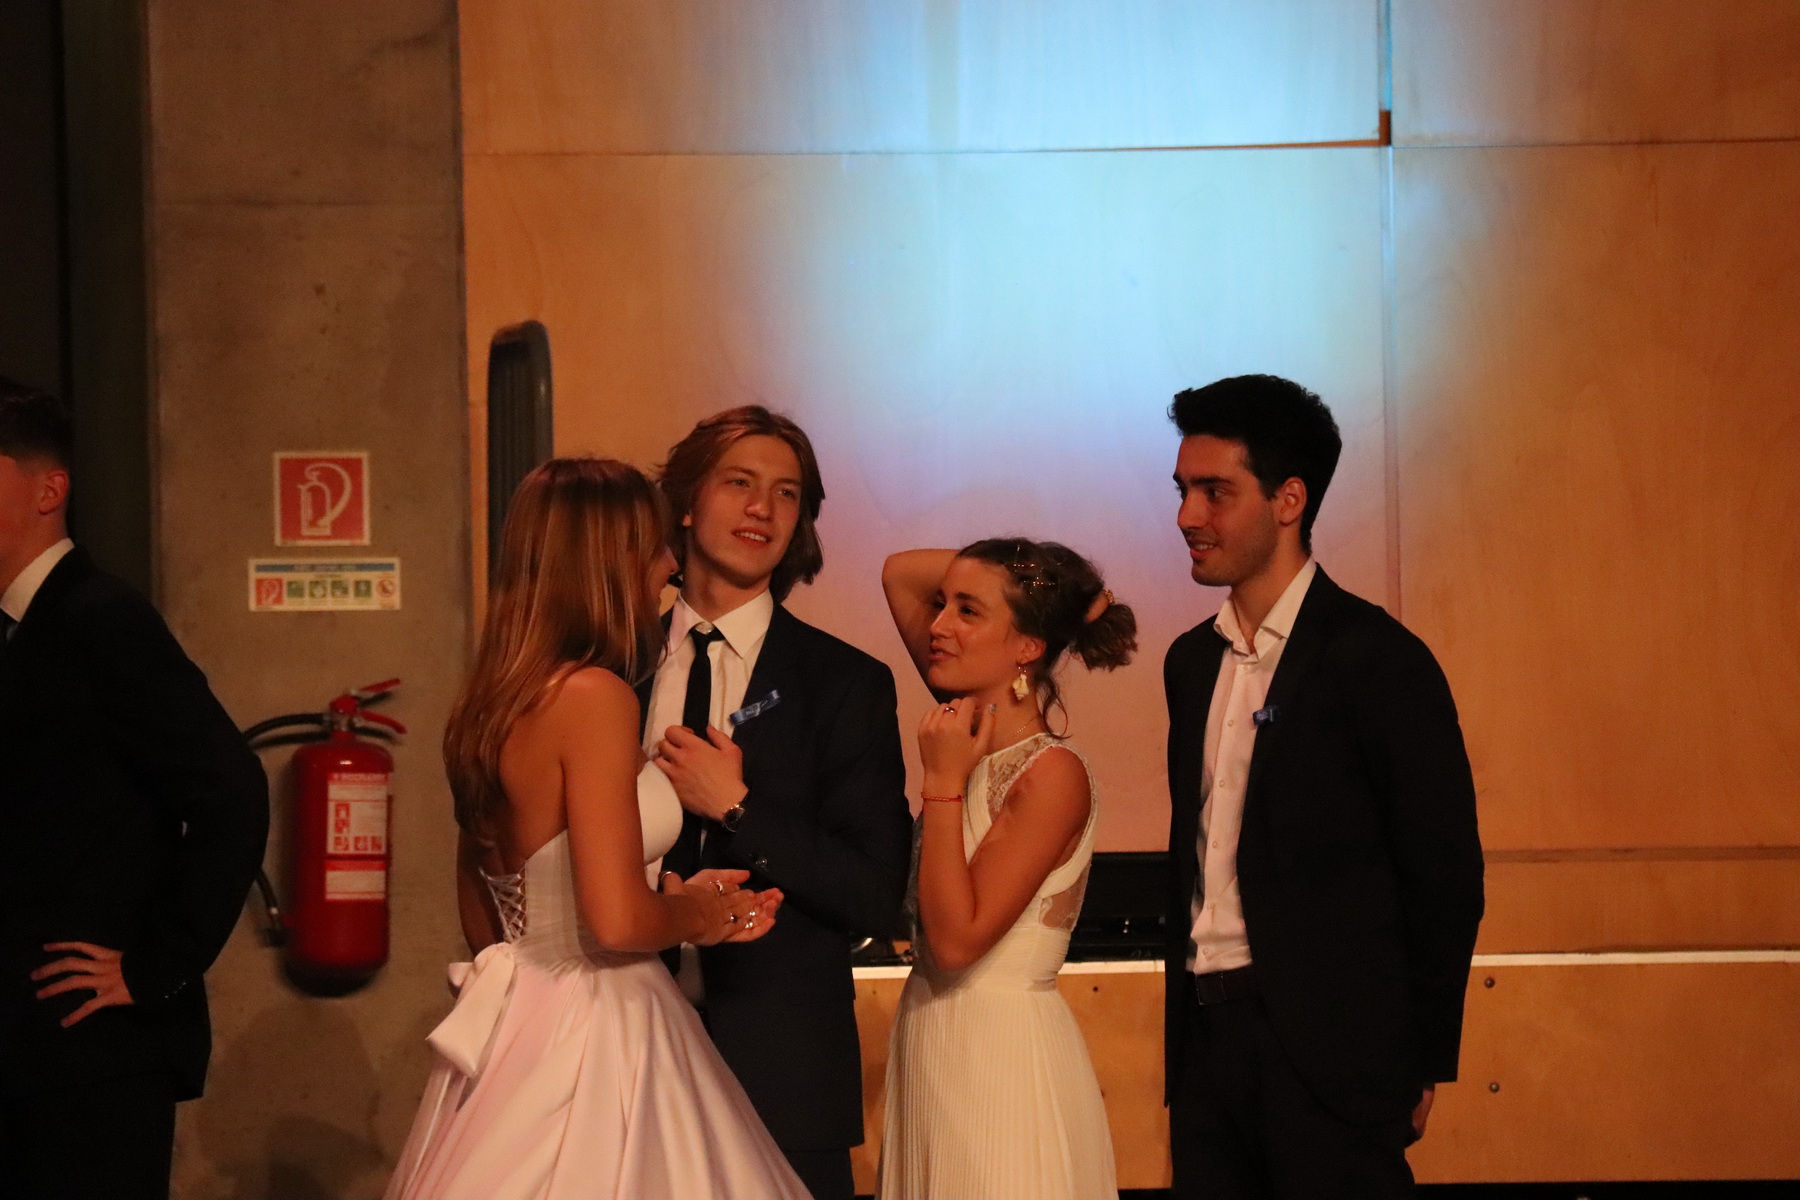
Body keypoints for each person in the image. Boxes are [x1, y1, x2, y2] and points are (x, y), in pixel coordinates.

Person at [384, 457, 808, 1200]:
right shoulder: (595, 697)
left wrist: (664, 898)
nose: (671, 565)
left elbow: (485, 921)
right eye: (654, 545)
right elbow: (615, 922)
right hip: (601, 1031)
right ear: (609, 560)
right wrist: (706, 914)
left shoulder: (492, 701)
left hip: (519, 1029)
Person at [1161, 374, 1485, 1198]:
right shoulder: (1190, 662)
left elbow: (1443, 875)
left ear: (1289, 499)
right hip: (1205, 1043)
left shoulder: (1377, 659)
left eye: (1214, 492)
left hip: (1333, 1056)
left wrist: (1421, 1057)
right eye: (1182, 490)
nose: (1187, 516)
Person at [0, 376, 269, 1200]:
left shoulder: (99, 617)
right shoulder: (21, 627)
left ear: (49, 489)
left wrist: (154, 966)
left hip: (88, 1053)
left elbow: (231, 791)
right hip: (28, 1052)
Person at [646, 406, 912, 1200]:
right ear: (686, 503)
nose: (762, 508)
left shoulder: (845, 683)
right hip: (626, 1042)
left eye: (786, 493)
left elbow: (873, 891)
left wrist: (738, 809)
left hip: (782, 1069)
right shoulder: (615, 665)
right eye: (739, 483)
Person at [876, 537, 1136, 1200]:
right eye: (943, 605)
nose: (937, 625)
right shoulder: (966, 732)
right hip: (932, 1044)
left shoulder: (1051, 774)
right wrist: (1058, 590)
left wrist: (941, 785)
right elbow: (900, 573)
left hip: (1002, 1059)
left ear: (1026, 646)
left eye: (967, 611)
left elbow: (957, 943)